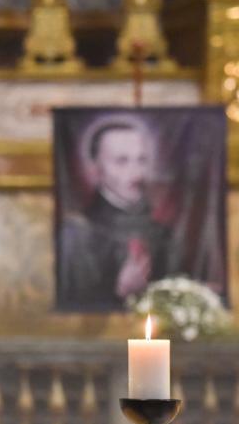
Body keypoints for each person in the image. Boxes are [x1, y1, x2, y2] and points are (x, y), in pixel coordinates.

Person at [58, 120, 174, 311]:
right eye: (122, 161)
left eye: (141, 160)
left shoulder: (162, 231)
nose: (136, 173)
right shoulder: (77, 232)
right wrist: (118, 291)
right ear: (96, 168)